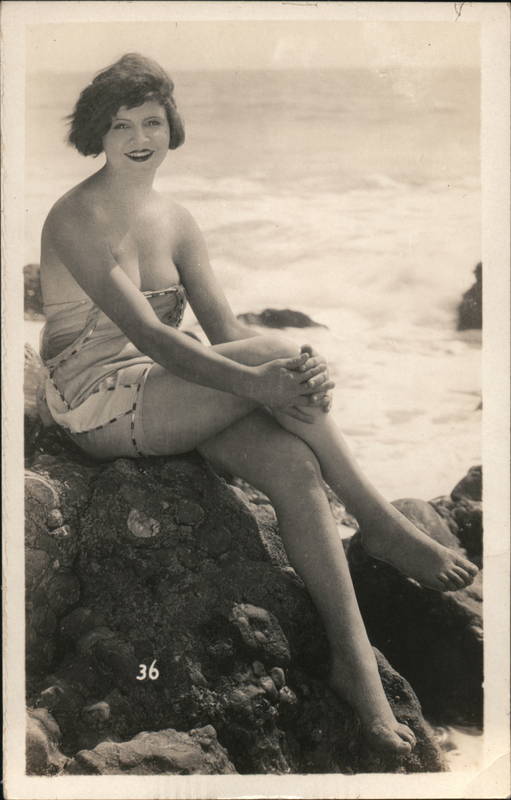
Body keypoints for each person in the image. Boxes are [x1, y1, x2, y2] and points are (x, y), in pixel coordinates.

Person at [39, 54, 478, 756]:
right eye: (120, 125)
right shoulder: (76, 217)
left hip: (172, 388)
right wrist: (263, 379)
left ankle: (353, 664)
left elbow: (226, 335)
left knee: (293, 461)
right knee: (269, 360)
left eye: (152, 120)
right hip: (98, 399)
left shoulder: (176, 220)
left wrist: (299, 372)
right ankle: (376, 521)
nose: (139, 136)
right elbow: (150, 334)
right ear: (98, 134)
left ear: (171, 126)